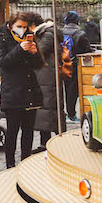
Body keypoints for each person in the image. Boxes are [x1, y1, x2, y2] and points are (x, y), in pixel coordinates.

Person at [0, 11, 45, 168]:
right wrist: (20, 49)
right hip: (12, 92)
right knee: (12, 132)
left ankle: (25, 164)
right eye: (19, 26)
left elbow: (38, 65)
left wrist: (35, 54)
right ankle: (10, 165)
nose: (22, 29)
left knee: (28, 131)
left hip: (30, 91)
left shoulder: (30, 37)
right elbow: (3, 62)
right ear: (11, 26)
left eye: (25, 26)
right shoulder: (1, 38)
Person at [33, 15, 60, 149]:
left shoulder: (47, 34)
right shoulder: (45, 33)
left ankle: (53, 141)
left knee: (48, 108)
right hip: (44, 75)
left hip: (47, 75)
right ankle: (46, 141)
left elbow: (40, 51)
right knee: (45, 109)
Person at [61, 11, 92, 120]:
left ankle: (68, 113)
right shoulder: (80, 33)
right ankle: (73, 114)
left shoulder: (61, 32)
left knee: (66, 89)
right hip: (76, 65)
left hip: (64, 64)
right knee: (74, 91)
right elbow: (87, 50)